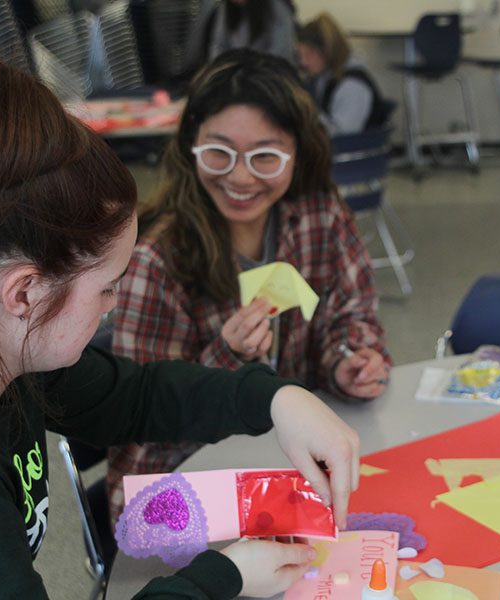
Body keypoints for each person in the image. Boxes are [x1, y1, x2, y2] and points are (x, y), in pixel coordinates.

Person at [0, 52, 362, 600]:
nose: (114, 305)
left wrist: (278, 400)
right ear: (25, 291)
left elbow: (137, 396)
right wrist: (226, 576)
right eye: (107, 287)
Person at [107, 48, 391, 527]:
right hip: (183, 503)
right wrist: (228, 360)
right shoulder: (156, 259)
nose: (240, 176)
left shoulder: (319, 215)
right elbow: (144, 419)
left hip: (294, 472)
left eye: (265, 156)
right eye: (219, 152)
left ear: (297, 153)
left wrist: (349, 359)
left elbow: (351, 315)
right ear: (190, 145)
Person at [297, 12, 393, 134]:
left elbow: (344, 136)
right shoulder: (323, 78)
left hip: (348, 150)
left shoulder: (352, 86)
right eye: (300, 56)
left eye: (309, 54)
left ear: (327, 51)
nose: (303, 62)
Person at [184, 0, 298, 72]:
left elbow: (281, 54)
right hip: (236, 75)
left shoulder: (277, 6)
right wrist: (219, 69)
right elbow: (218, 44)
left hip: (271, 78)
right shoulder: (226, 8)